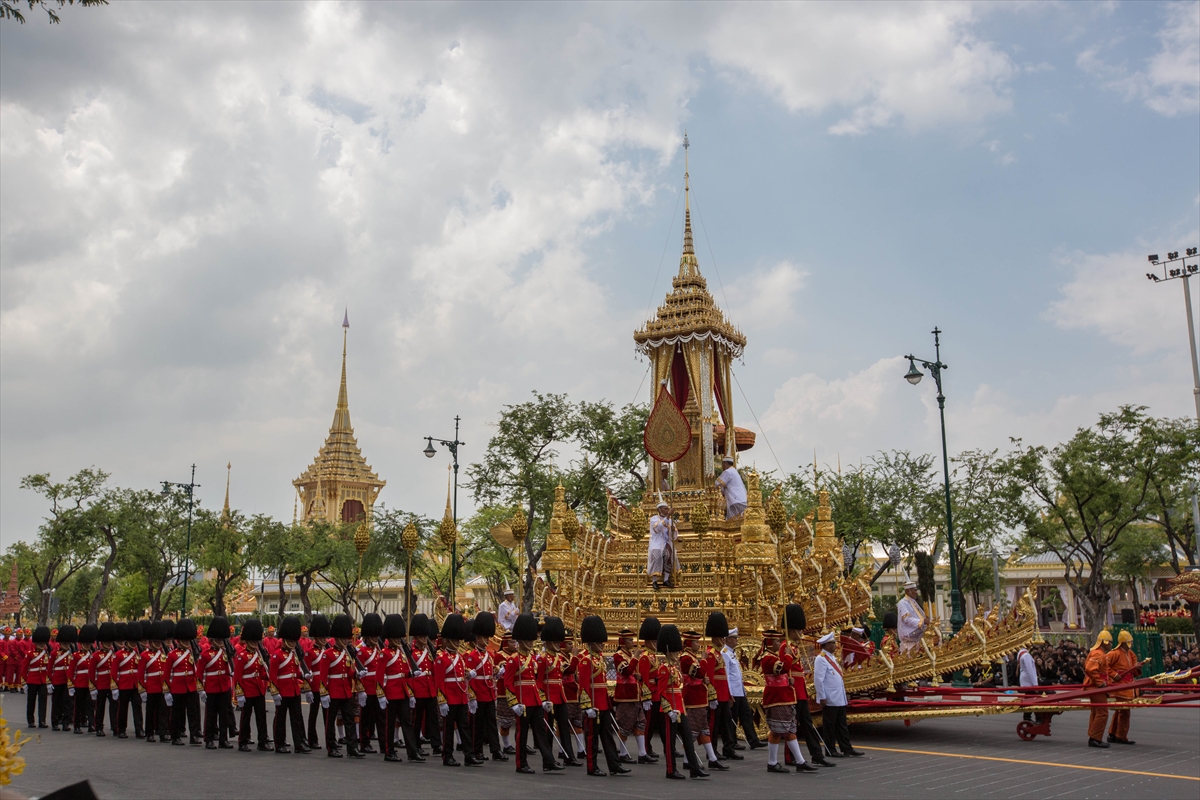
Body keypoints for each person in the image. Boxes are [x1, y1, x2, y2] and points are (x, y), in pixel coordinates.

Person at [505, 612, 561, 774]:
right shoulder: (513, 659)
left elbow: (535, 681)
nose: (530, 643)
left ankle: (548, 761)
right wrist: (513, 703)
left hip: (535, 700)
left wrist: (542, 699)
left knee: (541, 733)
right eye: (528, 640)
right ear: (521, 641)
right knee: (521, 735)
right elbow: (508, 682)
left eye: (531, 640)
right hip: (522, 702)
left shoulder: (531, 658)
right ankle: (521, 764)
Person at [656, 624, 709, 780]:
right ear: (668, 651)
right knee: (670, 741)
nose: (676, 654)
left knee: (687, 738)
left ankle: (694, 768)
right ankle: (671, 770)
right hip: (670, 709)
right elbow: (661, 691)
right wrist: (668, 709)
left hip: (680, 707)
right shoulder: (664, 668)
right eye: (673, 651)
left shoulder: (674, 668)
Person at [784, 605, 834, 768]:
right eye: (799, 630)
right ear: (792, 630)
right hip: (792, 690)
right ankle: (792, 756)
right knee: (793, 724)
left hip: (800, 689)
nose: (801, 633)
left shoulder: (794, 646)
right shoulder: (787, 647)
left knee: (805, 722)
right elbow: (786, 668)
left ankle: (815, 754)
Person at [435, 613, 478, 766]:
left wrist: (469, 674)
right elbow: (439, 682)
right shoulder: (441, 659)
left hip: (461, 696)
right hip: (449, 698)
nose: (457, 642)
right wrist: (442, 701)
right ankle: (447, 755)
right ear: (446, 641)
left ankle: (469, 754)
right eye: (454, 640)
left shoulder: (459, 657)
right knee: (448, 729)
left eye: (458, 640)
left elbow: (462, 675)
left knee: (464, 727)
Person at [321, 613, 365, 759]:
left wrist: (357, 674)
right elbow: (323, 676)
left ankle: (352, 747)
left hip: (345, 690)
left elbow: (348, 672)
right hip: (333, 691)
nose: (347, 640)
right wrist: (324, 693)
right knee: (330, 721)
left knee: (350, 719)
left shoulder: (346, 654)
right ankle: (331, 747)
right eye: (345, 637)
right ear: (339, 637)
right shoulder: (328, 654)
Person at [540, 616, 580, 767]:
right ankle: (548, 760)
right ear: (549, 642)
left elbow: (565, 672)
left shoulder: (557, 657)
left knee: (564, 725)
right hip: (550, 696)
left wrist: (574, 658)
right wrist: (543, 698)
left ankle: (569, 756)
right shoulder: (543, 658)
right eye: (556, 641)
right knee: (548, 729)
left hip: (560, 695)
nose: (558, 644)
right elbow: (539, 681)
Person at [464, 611, 504, 763]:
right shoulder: (472, 656)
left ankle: (496, 749)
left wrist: (497, 673)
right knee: (477, 725)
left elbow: (491, 673)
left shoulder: (490, 655)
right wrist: (472, 697)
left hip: (488, 692)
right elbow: (469, 677)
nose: (486, 640)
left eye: (487, 637)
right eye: (483, 638)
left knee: (492, 723)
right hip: (478, 693)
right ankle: (477, 750)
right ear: (477, 638)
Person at [814, 631, 861, 758]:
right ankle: (830, 750)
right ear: (827, 645)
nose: (835, 645)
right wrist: (822, 696)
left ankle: (846, 748)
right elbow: (818, 680)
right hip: (829, 697)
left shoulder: (832, 658)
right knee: (829, 726)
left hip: (839, 697)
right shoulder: (821, 659)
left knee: (842, 725)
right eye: (833, 643)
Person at [269, 615, 311, 754]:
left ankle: (299, 742)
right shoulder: (277, 655)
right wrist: (274, 692)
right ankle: (279, 743)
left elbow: (296, 671)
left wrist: (304, 676)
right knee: (280, 719)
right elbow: (273, 676)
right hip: (282, 690)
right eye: (291, 641)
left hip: (294, 690)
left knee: (297, 718)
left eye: (294, 641)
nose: (293, 643)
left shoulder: (293, 654)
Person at [612, 628, 651, 763]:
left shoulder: (628, 655)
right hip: (625, 695)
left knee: (641, 722)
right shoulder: (618, 656)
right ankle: (622, 753)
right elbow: (626, 670)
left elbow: (632, 673)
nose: (632, 642)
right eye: (629, 640)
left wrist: (637, 676)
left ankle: (642, 753)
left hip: (635, 694)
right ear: (623, 642)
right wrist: (635, 658)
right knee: (625, 724)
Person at [722, 627, 762, 752]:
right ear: (728, 640)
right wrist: (729, 693)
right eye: (734, 639)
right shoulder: (725, 653)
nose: (736, 641)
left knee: (746, 715)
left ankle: (753, 740)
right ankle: (732, 742)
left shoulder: (732, 653)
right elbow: (727, 675)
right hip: (733, 691)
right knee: (732, 718)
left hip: (739, 690)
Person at [233, 619, 270, 752]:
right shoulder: (241, 656)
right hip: (247, 691)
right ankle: (242, 741)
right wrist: (239, 694)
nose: (255, 643)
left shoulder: (258, 655)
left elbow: (261, 673)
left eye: (256, 641)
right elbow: (237, 677)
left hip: (258, 689)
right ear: (248, 641)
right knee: (245, 718)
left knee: (261, 718)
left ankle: (262, 741)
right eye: (253, 641)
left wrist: (270, 677)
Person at [1105, 630, 1146, 746]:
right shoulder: (1114, 653)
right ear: (1124, 642)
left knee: (1121, 710)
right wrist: (1114, 675)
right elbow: (1104, 665)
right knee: (1124, 711)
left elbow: (1134, 669)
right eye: (1129, 642)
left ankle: (1113, 734)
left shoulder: (1131, 654)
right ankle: (1120, 736)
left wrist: (1137, 667)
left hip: (1129, 685)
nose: (1131, 644)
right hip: (1120, 686)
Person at [167, 619, 202, 746]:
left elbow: (194, 670)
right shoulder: (172, 655)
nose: (187, 642)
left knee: (192, 712)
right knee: (177, 713)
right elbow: (167, 675)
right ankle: (175, 735)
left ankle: (194, 735)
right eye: (185, 640)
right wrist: (167, 691)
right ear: (179, 640)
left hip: (190, 686)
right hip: (177, 687)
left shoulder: (190, 653)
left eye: (188, 640)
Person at [357, 613, 385, 755]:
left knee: (381, 718)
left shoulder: (379, 650)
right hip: (367, 689)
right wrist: (361, 690)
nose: (375, 638)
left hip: (378, 689)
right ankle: (364, 743)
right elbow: (360, 674)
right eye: (372, 636)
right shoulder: (361, 652)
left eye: (376, 636)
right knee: (366, 719)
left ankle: (383, 743)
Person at [114, 622, 144, 739]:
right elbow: (114, 672)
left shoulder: (137, 654)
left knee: (137, 706)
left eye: (134, 642)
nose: (133, 644)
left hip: (135, 685)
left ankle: (139, 729)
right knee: (123, 708)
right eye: (131, 642)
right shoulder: (119, 654)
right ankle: (121, 729)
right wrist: (115, 687)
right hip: (123, 684)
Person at [1084, 629, 1113, 748]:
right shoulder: (1098, 654)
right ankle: (1095, 738)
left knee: (1096, 712)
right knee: (1102, 713)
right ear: (1105, 642)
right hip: (1096, 687)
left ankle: (1093, 736)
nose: (1111, 644)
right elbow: (1090, 669)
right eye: (1110, 642)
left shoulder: (1099, 653)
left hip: (1095, 686)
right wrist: (1100, 682)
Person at [50, 624, 76, 732]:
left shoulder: (73, 654)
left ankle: (66, 722)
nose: (66, 645)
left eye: (67, 643)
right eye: (64, 643)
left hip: (68, 682)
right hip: (57, 680)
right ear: (60, 643)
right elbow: (49, 668)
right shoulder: (54, 654)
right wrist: (49, 682)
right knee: (56, 702)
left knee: (68, 703)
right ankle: (55, 722)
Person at [648, 497, 679, 591]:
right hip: (656, 543)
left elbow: (674, 537)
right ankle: (654, 580)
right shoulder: (654, 519)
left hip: (666, 543)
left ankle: (666, 579)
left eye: (668, 509)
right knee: (656, 555)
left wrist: (673, 531)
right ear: (659, 510)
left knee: (669, 555)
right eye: (665, 509)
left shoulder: (670, 521)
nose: (667, 510)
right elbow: (658, 528)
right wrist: (669, 515)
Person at [25, 626, 51, 729]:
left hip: (43, 680)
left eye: (43, 643)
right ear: (36, 643)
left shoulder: (46, 654)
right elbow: (24, 669)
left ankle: (42, 720)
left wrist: (49, 682)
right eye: (40, 643)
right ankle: (31, 721)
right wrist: (24, 683)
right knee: (31, 701)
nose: (42, 644)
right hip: (32, 680)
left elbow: (48, 668)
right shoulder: (30, 654)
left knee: (43, 702)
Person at [897, 582, 929, 654]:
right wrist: (923, 622)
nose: (916, 593)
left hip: (917, 640)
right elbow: (907, 619)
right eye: (914, 590)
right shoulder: (902, 603)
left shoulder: (913, 602)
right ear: (908, 591)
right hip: (908, 641)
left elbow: (921, 617)